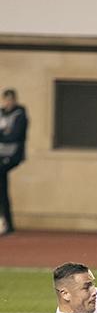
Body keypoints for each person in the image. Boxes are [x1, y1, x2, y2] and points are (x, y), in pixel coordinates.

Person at [0, 88, 28, 234]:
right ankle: (6, 223)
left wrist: (4, 135)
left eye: (11, 99)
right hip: (1, 154)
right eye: (6, 99)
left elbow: (16, 136)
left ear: (15, 100)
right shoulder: (1, 113)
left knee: (2, 187)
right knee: (2, 188)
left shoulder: (20, 115)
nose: (8, 102)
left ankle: (6, 223)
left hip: (12, 155)